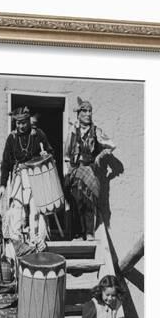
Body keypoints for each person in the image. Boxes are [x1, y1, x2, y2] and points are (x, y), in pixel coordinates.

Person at [0, 106, 54, 242]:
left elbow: (51, 153)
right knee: (17, 207)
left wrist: (46, 154)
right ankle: (16, 240)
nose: (21, 126)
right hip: (19, 175)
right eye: (18, 123)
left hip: (36, 175)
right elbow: (6, 163)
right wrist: (2, 185)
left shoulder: (38, 134)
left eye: (24, 122)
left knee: (36, 207)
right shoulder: (11, 139)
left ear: (29, 121)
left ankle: (37, 239)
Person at [64, 97, 115, 240]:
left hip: (90, 170)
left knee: (89, 201)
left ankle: (89, 233)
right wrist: (71, 169)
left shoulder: (96, 131)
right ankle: (78, 233)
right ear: (79, 114)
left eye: (90, 111)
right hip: (76, 169)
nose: (88, 114)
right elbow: (66, 154)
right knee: (75, 201)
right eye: (85, 111)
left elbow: (111, 145)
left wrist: (100, 156)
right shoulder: (72, 131)